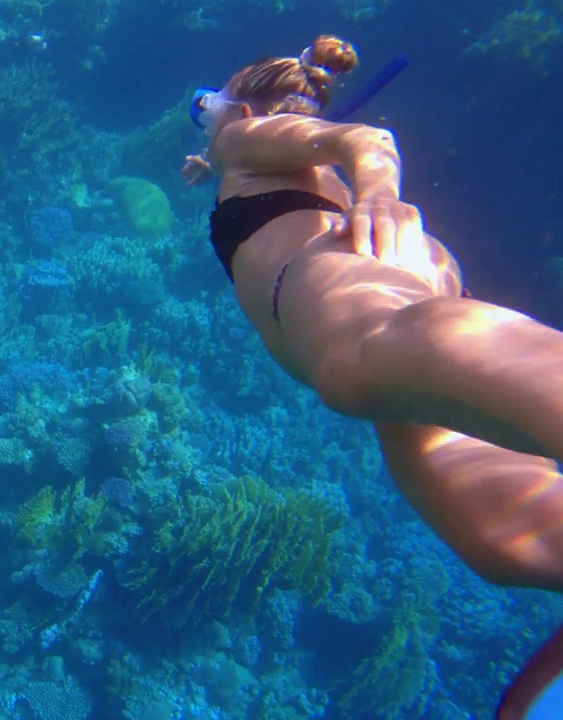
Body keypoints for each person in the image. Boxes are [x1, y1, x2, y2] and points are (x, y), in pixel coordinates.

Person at [178, 35, 563, 719]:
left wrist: (378, 190)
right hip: (400, 264)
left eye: (203, 106)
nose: (198, 115)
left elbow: (369, 142)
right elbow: (306, 145)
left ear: (242, 109)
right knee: (493, 527)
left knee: (358, 359)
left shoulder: (249, 142)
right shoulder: (250, 152)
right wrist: (209, 163)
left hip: (339, 277)